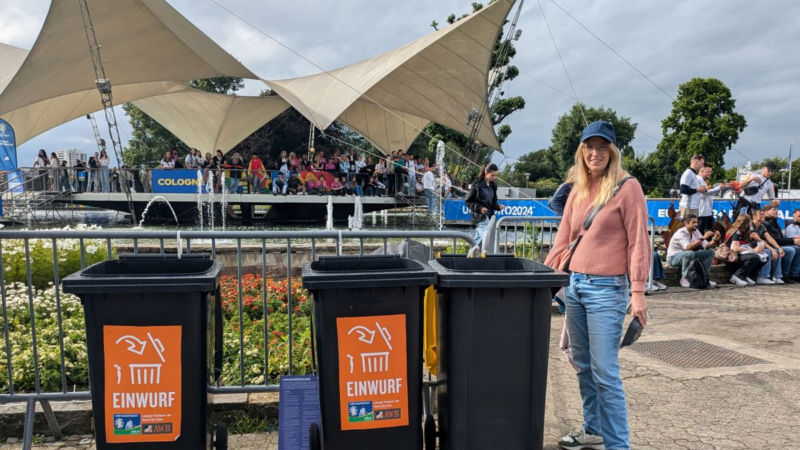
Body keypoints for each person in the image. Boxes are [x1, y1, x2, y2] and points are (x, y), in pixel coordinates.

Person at [543, 121, 650, 450]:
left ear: (613, 151)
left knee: (605, 372)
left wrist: (638, 292)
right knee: (584, 366)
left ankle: (619, 445)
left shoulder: (627, 187)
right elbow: (564, 239)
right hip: (575, 287)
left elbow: (638, 243)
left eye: (602, 147)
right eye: (589, 146)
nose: (595, 153)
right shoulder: (576, 188)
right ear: (581, 151)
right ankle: (593, 429)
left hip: (608, 290)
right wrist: (542, 277)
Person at [666, 214, 720, 288]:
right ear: (686, 223)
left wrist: (715, 239)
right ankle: (684, 277)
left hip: (688, 255)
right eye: (693, 222)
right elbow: (688, 247)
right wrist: (704, 237)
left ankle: (704, 277)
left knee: (710, 252)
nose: (696, 224)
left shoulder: (695, 231)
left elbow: (706, 245)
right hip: (673, 258)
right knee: (689, 253)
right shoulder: (681, 232)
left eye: (697, 222)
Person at [465, 163, 505, 246]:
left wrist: (498, 207)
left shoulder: (493, 185)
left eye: (496, 176)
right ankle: (494, 255)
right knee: (488, 237)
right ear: (486, 172)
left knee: (477, 241)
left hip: (489, 215)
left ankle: (470, 256)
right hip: (480, 216)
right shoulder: (477, 184)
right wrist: (480, 208)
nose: (494, 177)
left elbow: (493, 202)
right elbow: (469, 201)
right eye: (492, 175)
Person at [724, 214, 767, 286]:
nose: (751, 223)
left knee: (764, 257)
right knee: (754, 257)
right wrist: (753, 251)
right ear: (746, 223)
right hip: (731, 256)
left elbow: (744, 245)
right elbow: (735, 248)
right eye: (750, 222)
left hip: (740, 254)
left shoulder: (743, 232)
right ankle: (738, 276)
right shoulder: (736, 232)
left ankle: (748, 276)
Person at [762, 204, 800, 283]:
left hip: (778, 245)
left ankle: (794, 274)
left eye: (777, 210)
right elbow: (772, 240)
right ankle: (784, 275)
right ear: (765, 212)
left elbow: (780, 238)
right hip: (770, 246)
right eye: (773, 209)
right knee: (791, 250)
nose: (777, 211)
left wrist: (792, 239)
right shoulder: (765, 223)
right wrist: (792, 241)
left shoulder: (775, 222)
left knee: (797, 249)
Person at [751, 208, 786, 285]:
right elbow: (759, 240)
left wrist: (778, 248)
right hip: (750, 247)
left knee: (777, 251)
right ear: (754, 216)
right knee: (767, 251)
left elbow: (769, 238)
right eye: (761, 214)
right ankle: (763, 277)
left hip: (759, 246)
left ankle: (777, 276)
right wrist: (772, 249)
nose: (763, 215)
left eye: (764, 214)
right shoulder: (751, 225)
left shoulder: (762, 226)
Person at [697, 166, 725, 234]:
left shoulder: (703, 180)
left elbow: (707, 193)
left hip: (707, 211)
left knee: (710, 230)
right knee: (701, 232)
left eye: (710, 172)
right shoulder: (698, 179)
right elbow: (705, 193)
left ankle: (708, 243)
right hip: (702, 212)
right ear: (701, 171)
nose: (710, 173)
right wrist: (718, 188)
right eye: (708, 172)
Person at [678, 154, 707, 219]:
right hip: (688, 207)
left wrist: (701, 189)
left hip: (693, 207)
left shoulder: (693, 174)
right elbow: (683, 190)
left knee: (693, 228)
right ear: (696, 162)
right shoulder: (688, 173)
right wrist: (697, 190)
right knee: (687, 228)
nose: (702, 166)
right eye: (701, 164)